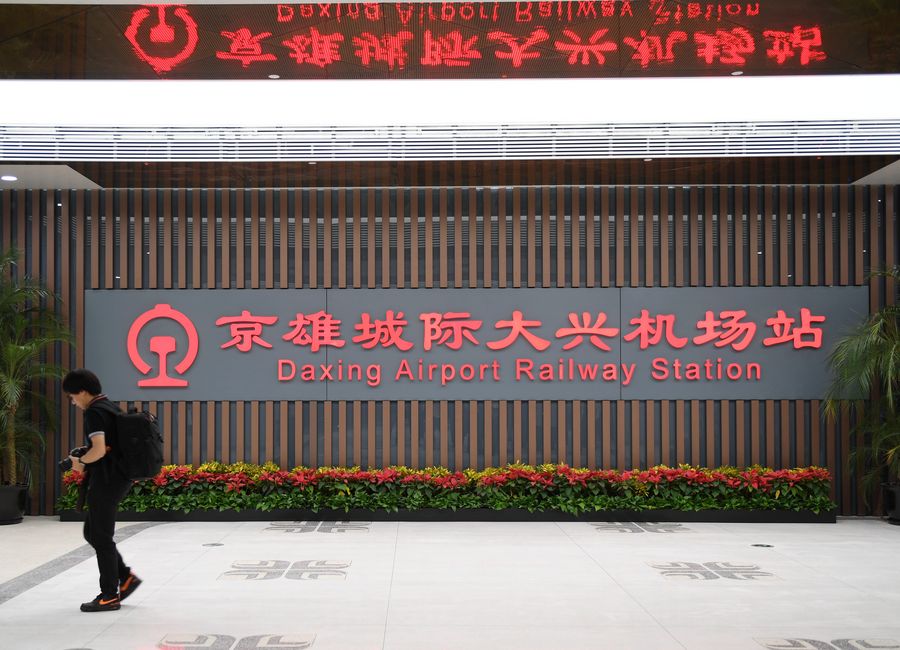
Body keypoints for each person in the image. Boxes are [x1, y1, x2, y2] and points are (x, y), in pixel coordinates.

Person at [62, 369, 142, 612]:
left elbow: (97, 450)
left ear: (82, 392)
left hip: (107, 481)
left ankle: (109, 595)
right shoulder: (109, 406)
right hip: (117, 478)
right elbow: (107, 446)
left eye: (72, 397)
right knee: (92, 533)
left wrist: (80, 462)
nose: (73, 402)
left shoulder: (94, 412)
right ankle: (125, 578)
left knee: (101, 537)